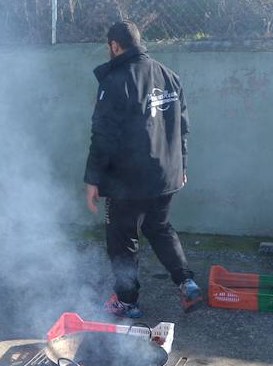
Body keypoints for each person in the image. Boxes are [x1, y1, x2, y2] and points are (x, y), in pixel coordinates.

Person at [83, 21, 203, 318]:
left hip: (129, 179)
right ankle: (186, 282)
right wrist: (182, 166)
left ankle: (126, 301)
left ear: (114, 46)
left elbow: (103, 135)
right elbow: (183, 129)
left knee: (122, 239)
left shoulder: (115, 81)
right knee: (158, 227)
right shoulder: (169, 76)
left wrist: (92, 179)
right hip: (166, 174)